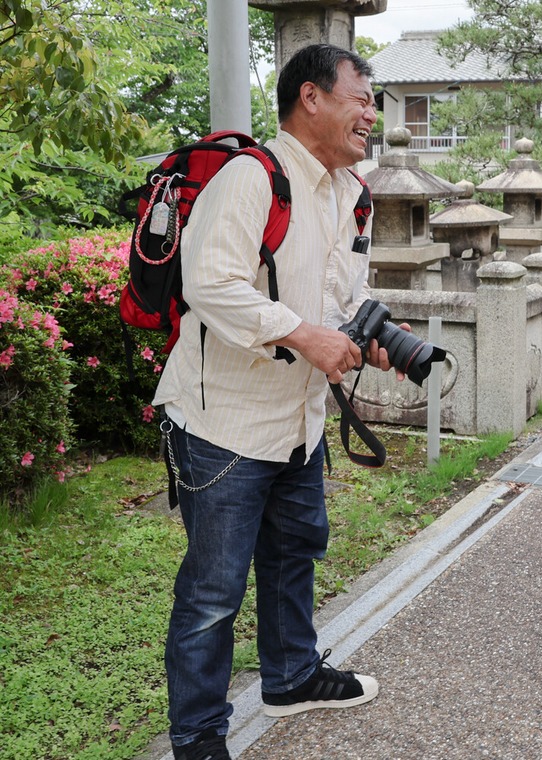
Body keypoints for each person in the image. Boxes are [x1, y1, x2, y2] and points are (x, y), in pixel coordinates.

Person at [154, 44, 394, 760]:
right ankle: (198, 739)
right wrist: (305, 335)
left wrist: (373, 333)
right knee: (212, 595)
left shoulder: (350, 188)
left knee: (295, 554)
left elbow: (343, 295)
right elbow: (212, 285)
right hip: (223, 422)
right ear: (311, 98)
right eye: (361, 96)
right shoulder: (250, 177)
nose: (371, 112)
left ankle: (290, 676)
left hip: (298, 421)